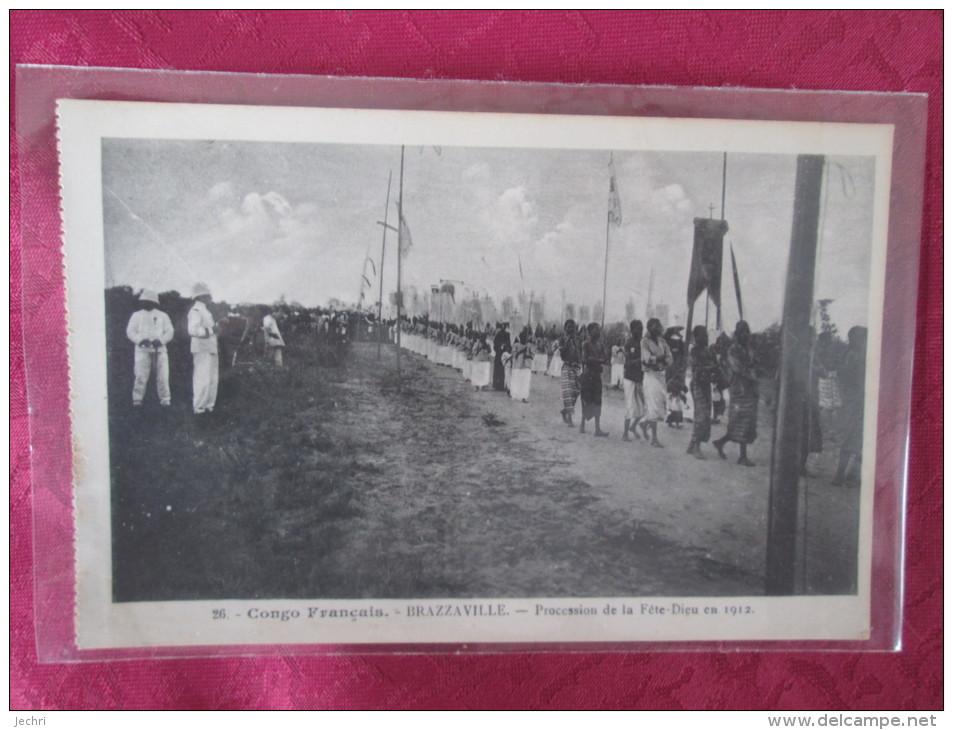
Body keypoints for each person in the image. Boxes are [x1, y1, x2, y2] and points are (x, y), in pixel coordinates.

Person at [713, 320, 759, 466]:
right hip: (738, 389)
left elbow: (754, 365)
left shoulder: (749, 350)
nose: (746, 336)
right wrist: (752, 374)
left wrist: (754, 374)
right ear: (738, 334)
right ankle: (742, 456)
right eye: (743, 333)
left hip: (749, 389)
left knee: (745, 422)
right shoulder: (733, 350)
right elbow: (737, 368)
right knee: (740, 420)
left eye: (747, 333)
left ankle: (721, 442)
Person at [125, 289, 174, 408]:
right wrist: (140, 340)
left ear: (154, 302)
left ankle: (165, 400)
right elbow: (130, 331)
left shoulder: (163, 315)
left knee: (162, 377)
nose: (146, 303)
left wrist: (161, 340)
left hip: (160, 351)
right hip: (142, 351)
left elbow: (170, 331)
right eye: (144, 301)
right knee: (140, 376)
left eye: (149, 301)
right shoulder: (136, 315)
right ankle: (137, 400)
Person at [832, 326, 867, 486]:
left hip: (859, 400)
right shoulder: (854, 355)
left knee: (859, 437)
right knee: (850, 437)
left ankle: (852, 474)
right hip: (855, 400)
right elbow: (847, 377)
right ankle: (842, 474)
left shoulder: (859, 355)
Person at [188, 282, 219, 415]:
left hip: (211, 348)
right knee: (202, 379)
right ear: (200, 297)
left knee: (212, 379)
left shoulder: (205, 310)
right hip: (202, 349)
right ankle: (199, 408)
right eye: (207, 295)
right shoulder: (195, 311)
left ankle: (209, 406)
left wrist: (216, 328)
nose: (210, 297)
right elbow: (192, 330)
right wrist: (212, 329)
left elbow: (210, 330)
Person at [686, 326, 718, 459]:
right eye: (702, 336)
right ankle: (696, 447)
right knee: (702, 415)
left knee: (705, 414)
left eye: (706, 335)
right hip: (697, 384)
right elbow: (698, 368)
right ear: (696, 337)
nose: (705, 338)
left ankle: (692, 443)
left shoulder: (709, 351)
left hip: (706, 385)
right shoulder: (694, 351)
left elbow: (716, 365)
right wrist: (712, 367)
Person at [640, 318, 672, 447]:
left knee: (660, 404)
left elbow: (670, 359)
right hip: (650, 375)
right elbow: (647, 359)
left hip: (660, 375)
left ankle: (645, 422)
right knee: (653, 404)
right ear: (650, 328)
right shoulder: (644, 342)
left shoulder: (663, 342)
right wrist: (660, 358)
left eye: (659, 326)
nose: (658, 328)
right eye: (656, 326)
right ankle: (654, 438)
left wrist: (660, 359)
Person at [579, 322, 610, 436]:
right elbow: (584, 359)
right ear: (590, 331)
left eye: (599, 330)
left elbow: (606, 358)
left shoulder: (600, 345)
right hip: (588, 375)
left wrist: (595, 359)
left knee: (598, 401)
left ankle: (597, 429)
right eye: (596, 330)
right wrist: (598, 360)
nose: (598, 332)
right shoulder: (585, 344)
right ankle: (582, 425)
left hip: (597, 375)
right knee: (586, 399)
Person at [622, 319, 645, 442]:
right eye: (638, 329)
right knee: (630, 406)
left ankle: (633, 427)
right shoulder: (629, 343)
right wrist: (641, 360)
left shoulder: (643, 343)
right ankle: (625, 433)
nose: (640, 331)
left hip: (639, 377)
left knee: (643, 407)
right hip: (630, 378)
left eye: (641, 328)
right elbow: (628, 362)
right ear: (632, 330)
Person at [558, 319, 583, 426]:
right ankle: (569, 419)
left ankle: (565, 411)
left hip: (576, 368)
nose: (571, 329)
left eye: (573, 327)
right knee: (568, 393)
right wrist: (568, 341)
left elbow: (580, 355)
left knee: (576, 392)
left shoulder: (579, 340)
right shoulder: (562, 340)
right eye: (569, 327)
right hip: (567, 367)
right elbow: (562, 356)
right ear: (565, 329)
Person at [509, 329, 534, 402]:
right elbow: (513, 354)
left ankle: (524, 396)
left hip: (526, 366)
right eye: (523, 337)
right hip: (517, 366)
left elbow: (532, 356)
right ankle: (515, 395)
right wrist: (521, 351)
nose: (524, 338)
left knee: (525, 382)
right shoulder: (516, 345)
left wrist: (528, 354)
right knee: (517, 381)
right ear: (520, 337)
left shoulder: (529, 346)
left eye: (525, 337)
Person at [492, 322, 511, 391]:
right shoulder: (508, 335)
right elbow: (509, 344)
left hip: (499, 354)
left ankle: (496, 384)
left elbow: (495, 344)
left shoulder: (498, 334)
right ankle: (501, 385)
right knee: (502, 369)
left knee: (497, 369)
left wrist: (498, 348)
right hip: (504, 354)